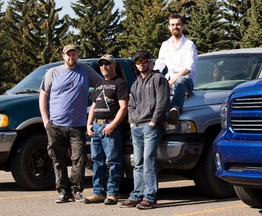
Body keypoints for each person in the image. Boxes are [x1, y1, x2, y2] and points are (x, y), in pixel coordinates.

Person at [39, 44, 103, 203]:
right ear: (63, 56)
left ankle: (76, 191)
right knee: (57, 159)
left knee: (78, 159)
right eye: (68, 54)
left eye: (73, 54)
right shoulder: (53, 73)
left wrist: (93, 101)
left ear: (77, 55)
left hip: (77, 125)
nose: (71, 57)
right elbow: (43, 96)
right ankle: (62, 191)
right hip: (55, 125)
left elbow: (102, 85)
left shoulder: (85, 70)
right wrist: (46, 121)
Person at [117, 50, 170, 210]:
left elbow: (162, 102)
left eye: (143, 61)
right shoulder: (136, 82)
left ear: (150, 62)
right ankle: (136, 196)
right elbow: (131, 105)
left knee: (148, 161)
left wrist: (154, 122)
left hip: (151, 127)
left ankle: (150, 197)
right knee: (138, 163)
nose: (141, 64)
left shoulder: (158, 79)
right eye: (138, 62)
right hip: (137, 128)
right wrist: (132, 122)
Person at [84, 54, 129, 205]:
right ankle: (98, 192)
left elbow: (124, 107)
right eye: (101, 64)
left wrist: (113, 125)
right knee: (97, 160)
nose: (104, 66)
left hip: (110, 127)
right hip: (97, 126)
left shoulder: (120, 83)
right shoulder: (99, 84)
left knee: (114, 161)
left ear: (113, 65)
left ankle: (112, 193)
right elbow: (93, 107)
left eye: (107, 63)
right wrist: (89, 124)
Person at [154, 13, 198, 124]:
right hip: (170, 81)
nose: (175, 27)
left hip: (187, 82)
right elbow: (159, 63)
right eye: (172, 24)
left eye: (178, 24)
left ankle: (175, 109)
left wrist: (170, 82)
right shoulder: (165, 45)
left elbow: (188, 68)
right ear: (169, 27)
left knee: (181, 80)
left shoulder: (189, 44)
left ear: (183, 26)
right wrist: (155, 77)